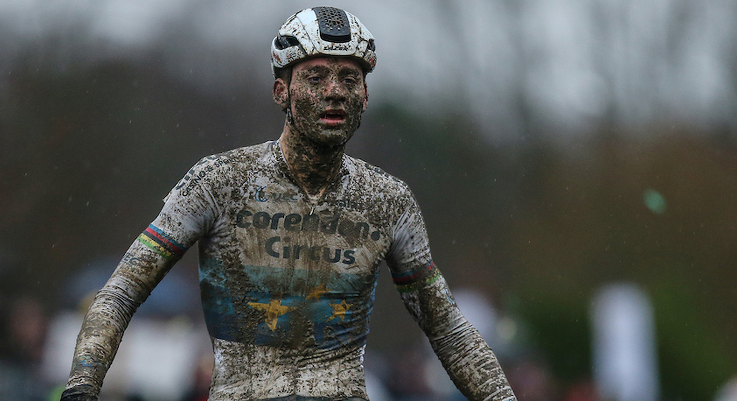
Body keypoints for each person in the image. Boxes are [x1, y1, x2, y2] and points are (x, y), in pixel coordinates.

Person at [60, 6, 516, 401]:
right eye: (315, 77)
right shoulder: (219, 181)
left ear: (365, 96)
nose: (334, 91)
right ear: (282, 92)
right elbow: (120, 292)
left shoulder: (388, 200)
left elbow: (450, 331)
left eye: (349, 78)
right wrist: (83, 384)